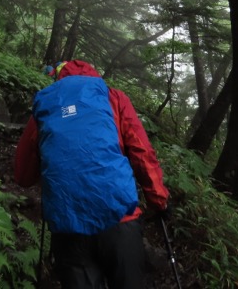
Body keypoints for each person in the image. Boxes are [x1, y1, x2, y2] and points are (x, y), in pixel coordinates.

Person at [14, 59, 170, 289]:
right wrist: (159, 201)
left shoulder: (48, 106)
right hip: (119, 219)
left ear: (59, 78)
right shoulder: (113, 97)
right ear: (94, 75)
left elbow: (23, 176)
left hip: (67, 227)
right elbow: (142, 153)